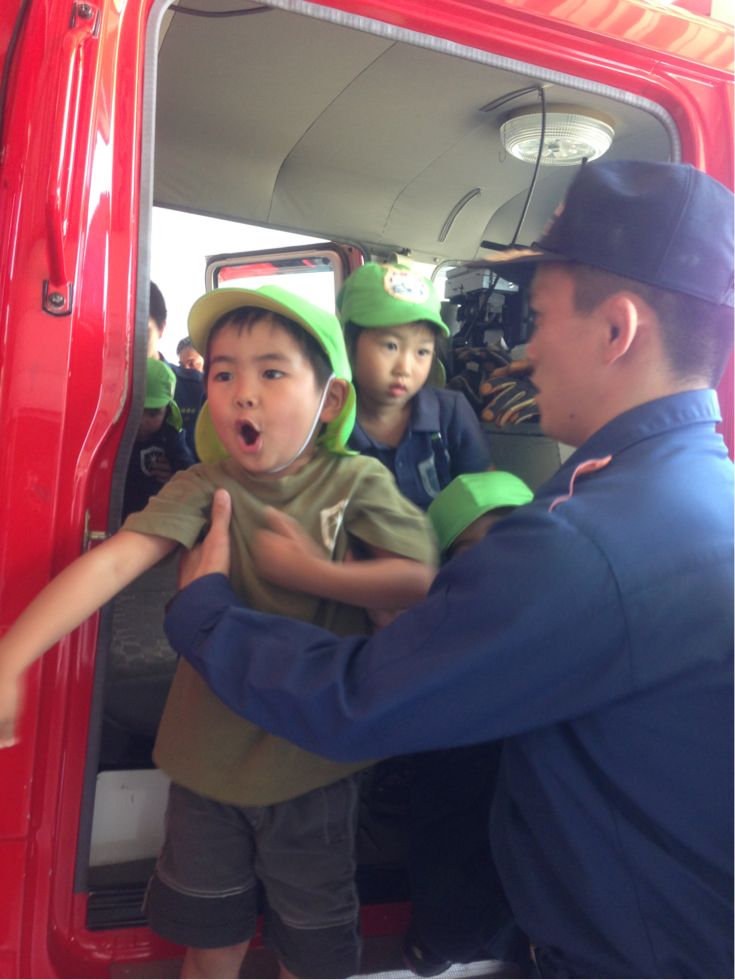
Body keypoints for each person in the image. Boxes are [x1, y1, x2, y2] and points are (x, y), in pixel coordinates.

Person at [162, 160, 734, 978]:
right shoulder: (696, 492)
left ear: (617, 330)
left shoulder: (589, 540)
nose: (524, 352)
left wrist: (206, 612)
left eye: (538, 318)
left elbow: (358, 699)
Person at [0, 285, 437, 979]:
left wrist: (313, 573)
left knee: (312, 950)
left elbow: (415, 582)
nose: (242, 394)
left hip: (313, 769)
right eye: (224, 373)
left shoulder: (355, 482)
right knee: (209, 941)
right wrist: (12, 658)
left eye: (272, 372)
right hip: (204, 764)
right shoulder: (204, 484)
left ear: (329, 400)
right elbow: (114, 562)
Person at [403, 472, 533, 978]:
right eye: (471, 550)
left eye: (511, 537)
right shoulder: (433, 638)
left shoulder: (568, 617)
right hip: (462, 795)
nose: (495, 559)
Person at [339, 262, 491, 509]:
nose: (405, 368)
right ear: (349, 344)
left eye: (422, 351)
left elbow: (484, 497)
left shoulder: (451, 412)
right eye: (390, 346)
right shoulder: (331, 422)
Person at [122, 357, 195, 519]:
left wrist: (175, 478)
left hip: (156, 513)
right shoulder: (115, 432)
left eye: (153, 414)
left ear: (167, 411)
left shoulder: (170, 435)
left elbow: (188, 474)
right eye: (135, 411)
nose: (142, 422)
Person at [149, 281, 205, 458]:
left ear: (161, 328)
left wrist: (182, 469)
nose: (129, 340)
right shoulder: (101, 392)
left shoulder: (197, 388)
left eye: (141, 331)